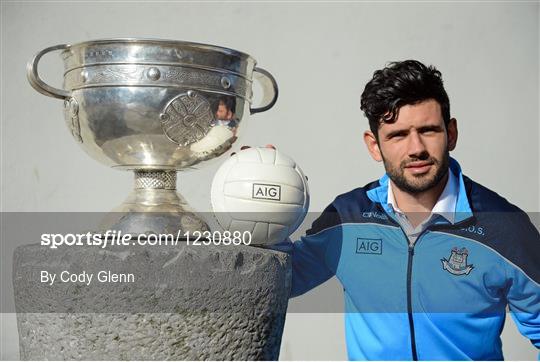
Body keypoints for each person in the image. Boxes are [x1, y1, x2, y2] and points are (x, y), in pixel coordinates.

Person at [273, 60, 540, 360]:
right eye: (398, 135)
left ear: (450, 133)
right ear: (374, 146)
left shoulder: (503, 227)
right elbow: (277, 282)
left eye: (428, 130)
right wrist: (256, 207)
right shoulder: (347, 218)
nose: (416, 148)